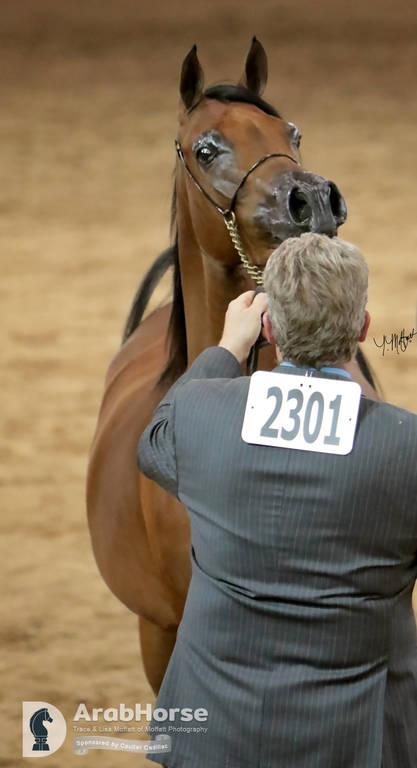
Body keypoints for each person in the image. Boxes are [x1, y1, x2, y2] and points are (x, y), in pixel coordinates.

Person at [137, 232, 417, 768]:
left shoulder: (198, 415)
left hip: (212, 737)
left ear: (267, 326)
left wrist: (225, 351)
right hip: (360, 742)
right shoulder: (406, 446)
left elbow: (154, 447)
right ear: (361, 330)